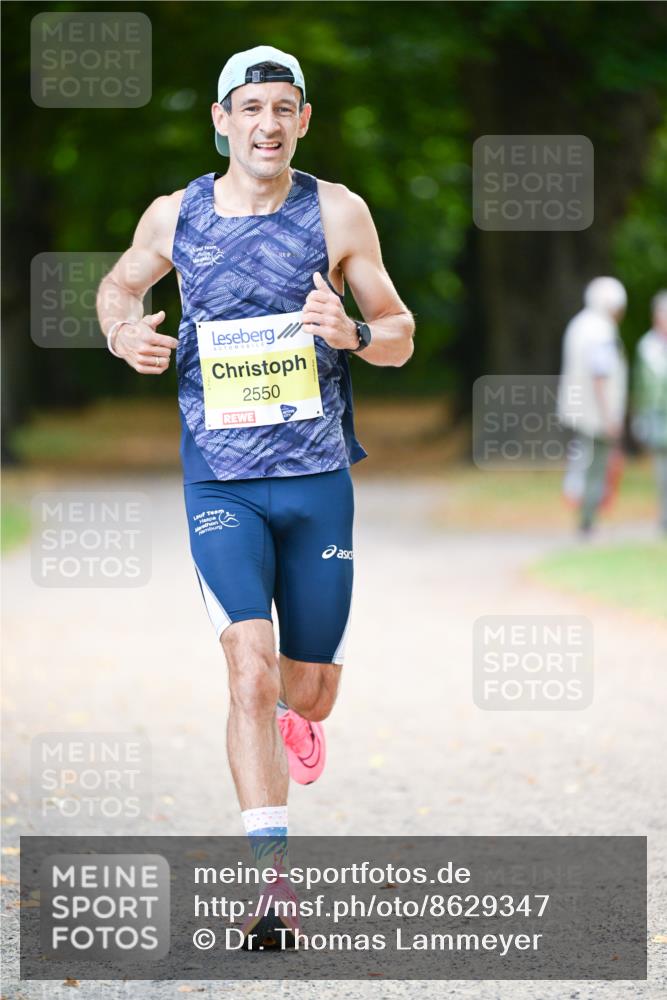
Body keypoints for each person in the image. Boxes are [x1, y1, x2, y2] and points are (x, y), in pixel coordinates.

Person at [96, 45, 414, 947]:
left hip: (315, 479)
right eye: (250, 108)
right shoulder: (176, 213)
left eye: (282, 108)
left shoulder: (337, 210)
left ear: (302, 120)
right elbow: (119, 287)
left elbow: (398, 332)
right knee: (247, 666)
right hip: (221, 479)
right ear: (221, 119)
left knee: (306, 695)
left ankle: (292, 718)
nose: (266, 124)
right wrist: (123, 335)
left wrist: (352, 333)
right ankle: (272, 890)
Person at [557, 276, 628, 535]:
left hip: (578, 409)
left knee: (582, 461)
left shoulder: (579, 324)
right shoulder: (601, 331)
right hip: (596, 413)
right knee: (595, 467)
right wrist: (610, 417)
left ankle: (584, 517)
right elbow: (601, 375)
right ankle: (587, 520)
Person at [632, 291, 667, 533]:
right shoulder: (647, 347)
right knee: (662, 471)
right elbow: (640, 385)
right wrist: (639, 418)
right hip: (656, 417)